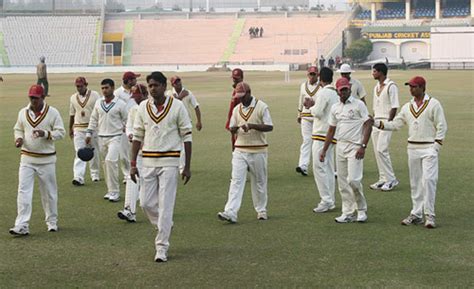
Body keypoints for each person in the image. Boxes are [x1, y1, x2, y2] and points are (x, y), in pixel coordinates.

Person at [130, 71, 192, 262]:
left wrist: (187, 166)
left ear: (165, 86)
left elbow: (187, 136)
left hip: (170, 162)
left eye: (156, 85)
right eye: (150, 85)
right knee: (145, 203)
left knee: (166, 206)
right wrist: (133, 164)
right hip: (147, 161)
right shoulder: (142, 107)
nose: (152, 88)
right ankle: (165, 224)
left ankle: (161, 247)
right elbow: (137, 136)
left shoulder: (177, 106)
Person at [372, 76, 447, 228]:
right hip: (412, 148)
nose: (411, 89)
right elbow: (395, 124)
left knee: (429, 181)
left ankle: (430, 215)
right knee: (415, 183)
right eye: (410, 86)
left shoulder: (433, 104)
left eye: (414, 86)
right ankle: (416, 213)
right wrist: (375, 123)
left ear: (422, 88)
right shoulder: (407, 107)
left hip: (429, 149)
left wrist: (436, 147)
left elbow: (442, 126)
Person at [9, 84, 65, 235]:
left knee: (49, 192)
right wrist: (19, 139)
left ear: (43, 97)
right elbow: (18, 128)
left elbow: (61, 132)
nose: (33, 100)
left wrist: (45, 134)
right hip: (27, 158)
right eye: (31, 97)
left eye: (36, 98)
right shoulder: (23, 112)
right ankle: (22, 224)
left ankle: (52, 221)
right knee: (23, 191)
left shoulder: (52, 113)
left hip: (46, 160)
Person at [217, 82, 273, 223]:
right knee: (236, 181)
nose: (240, 99)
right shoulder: (236, 109)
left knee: (259, 181)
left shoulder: (262, 106)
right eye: (238, 96)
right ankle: (230, 212)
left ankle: (261, 210)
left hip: (258, 149)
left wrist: (252, 126)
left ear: (249, 92)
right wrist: (234, 129)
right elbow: (231, 127)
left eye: (242, 96)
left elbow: (269, 126)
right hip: (240, 150)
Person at [320, 78, 373, 223]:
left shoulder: (359, 105)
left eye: (346, 89)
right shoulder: (335, 108)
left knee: (354, 180)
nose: (344, 92)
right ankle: (347, 212)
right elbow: (331, 130)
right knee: (342, 182)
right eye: (341, 90)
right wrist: (324, 150)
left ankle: (361, 209)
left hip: (355, 147)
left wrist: (363, 146)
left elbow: (368, 124)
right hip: (340, 146)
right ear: (337, 91)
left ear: (349, 89)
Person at [303, 67, 338, 213]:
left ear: (320, 78)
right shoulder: (335, 93)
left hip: (321, 134)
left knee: (319, 167)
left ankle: (326, 200)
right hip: (331, 134)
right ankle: (330, 199)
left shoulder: (323, 92)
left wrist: (310, 106)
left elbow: (317, 112)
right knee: (329, 168)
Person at [86, 79, 128, 202]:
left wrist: (129, 132)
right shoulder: (99, 103)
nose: (104, 90)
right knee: (105, 164)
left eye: (107, 88)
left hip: (116, 137)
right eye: (103, 88)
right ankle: (110, 191)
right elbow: (93, 119)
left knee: (111, 161)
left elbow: (127, 119)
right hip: (101, 137)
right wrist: (89, 133)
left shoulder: (121, 104)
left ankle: (115, 192)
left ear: (113, 88)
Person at [117, 84, 149, 223]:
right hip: (138, 152)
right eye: (133, 97)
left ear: (144, 95)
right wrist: (131, 135)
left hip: (154, 153)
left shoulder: (151, 107)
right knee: (132, 178)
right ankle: (129, 210)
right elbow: (129, 126)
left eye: (137, 96)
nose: (135, 99)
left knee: (149, 183)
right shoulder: (133, 110)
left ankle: (159, 207)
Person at [370, 63, 400, 191]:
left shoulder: (391, 86)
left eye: (375, 71)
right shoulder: (376, 86)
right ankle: (383, 179)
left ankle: (392, 179)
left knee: (382, 149)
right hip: (375, 122)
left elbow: (394, 106)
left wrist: (389, 123)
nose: (373, 73)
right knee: (377, 151)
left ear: (381, 72)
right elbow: (375, 107)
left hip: (386, 122)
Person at [69, 77, 101, 186]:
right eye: (77, 86)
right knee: (79, 152)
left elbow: (99, 111)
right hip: (78, 128)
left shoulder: (95, 95)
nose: (79, 88)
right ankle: (78, 177)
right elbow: (72, 114)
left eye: (81, 86)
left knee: (94, 152)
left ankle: (95, 174)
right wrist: (70, 128)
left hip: (92, 127)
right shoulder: (73, 98)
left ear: (86, 85)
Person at [169, 75, 203, 170]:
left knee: (185, 144)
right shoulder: (169, 94)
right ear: (172, 84)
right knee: (175, 144)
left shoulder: (188, 93)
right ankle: (176, 164)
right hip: (173, 123)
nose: (179, 83)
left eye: (179, 81)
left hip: (186, 122)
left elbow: (196, 106)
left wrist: (199, 121)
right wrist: (179, 98)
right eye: (176, 82)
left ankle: (182, 167)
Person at [115, 71, 141, 184]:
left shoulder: (136, 91)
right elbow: (114, 109)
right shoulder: (117, 93)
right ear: (129, 80)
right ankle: (126, 174)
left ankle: (138, 170)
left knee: (138, 150)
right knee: (124, 153)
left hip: (137, 125)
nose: (136, 81)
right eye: (134, 79)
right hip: (123, 127)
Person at [296, 66, 320, 176]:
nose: (312, 76)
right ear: (307, 74)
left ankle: (319, 165)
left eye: (314, 74)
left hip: (317, 117)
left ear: (317, 75)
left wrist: (313, 103)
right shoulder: (303, 85)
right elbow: (301, 100)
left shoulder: (321, 86)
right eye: (310, 74)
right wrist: (299, 113)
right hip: (305, 116)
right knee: (306, 140)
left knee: (317, 142)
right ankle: (303, 165)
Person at [226, 68, 244, 150]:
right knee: (234, 147)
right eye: (233, 78)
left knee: (238, 148)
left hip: (238, 125)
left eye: (236, 78)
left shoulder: (242, 92)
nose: (234, 80)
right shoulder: (236, 90)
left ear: (241, 78)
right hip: (233, 124)